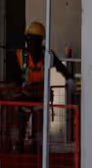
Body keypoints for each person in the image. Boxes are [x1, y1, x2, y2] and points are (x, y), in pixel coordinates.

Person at [12, 21, 66, 154]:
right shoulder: (20, 56)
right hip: (25, 98)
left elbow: (62, 69)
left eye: (36, 41)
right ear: (26, 41)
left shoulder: (47, 56)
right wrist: (19, 87)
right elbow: (13, 78)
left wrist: (70, 80)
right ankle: (19, 152)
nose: (32, 44)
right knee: (20, 127)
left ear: (41, 41)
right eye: (30, 40)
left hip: (39, 98)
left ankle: (37, 157)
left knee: (38, 132)